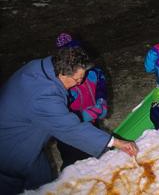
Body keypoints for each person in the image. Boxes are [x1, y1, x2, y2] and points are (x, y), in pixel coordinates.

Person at [0, 46, 137, 195]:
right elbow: (71, 128)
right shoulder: (43, 97)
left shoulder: (43, 67)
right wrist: (115, 142)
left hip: (29, 141)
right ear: (63, 73)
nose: (80, 83)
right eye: (77, 79)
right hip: (10, 152)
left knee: (44, 183)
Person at [54, 33, 109, 169]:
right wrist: (84, 115)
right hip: (69, 134)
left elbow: (101, 87)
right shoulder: (61, 82)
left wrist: (101, 101)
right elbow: (59, 112)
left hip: (91, 124)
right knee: (73, 163)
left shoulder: (94, 72)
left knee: (95, 154)